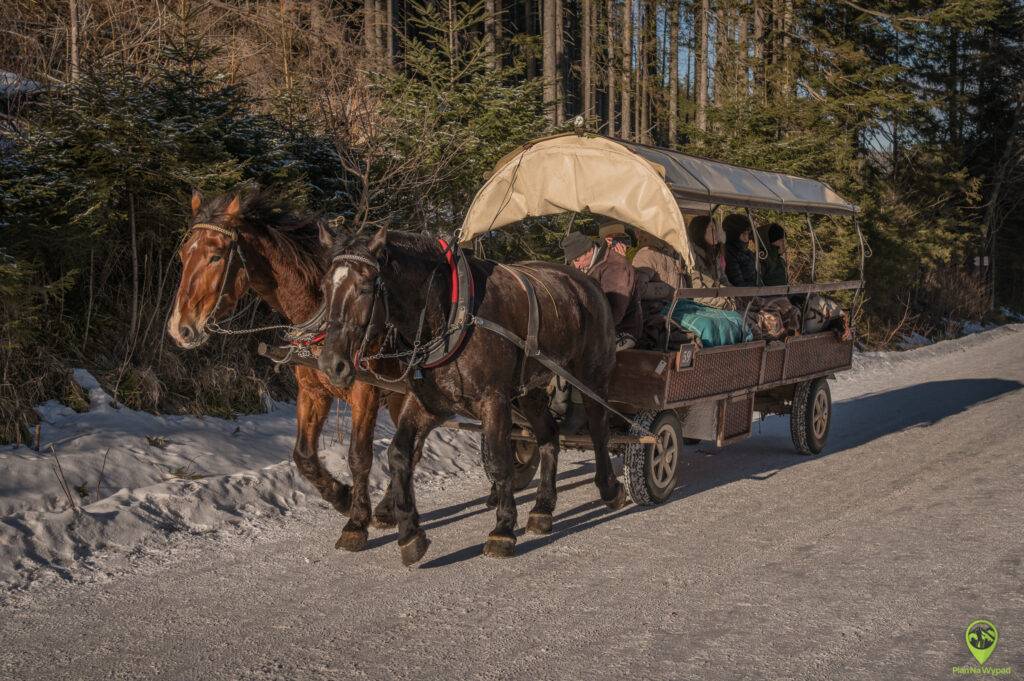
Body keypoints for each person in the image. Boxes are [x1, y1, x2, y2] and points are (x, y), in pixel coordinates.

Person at [561, 231, 643, 349]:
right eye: (573, 261)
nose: (576, 265)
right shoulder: (586, 264)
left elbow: (614, 310)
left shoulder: (616, 267)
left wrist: (585, 333)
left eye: (577, 259)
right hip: (597, 326)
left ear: (589, 250)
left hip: (622, 330)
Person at [683, 215, 735, 310]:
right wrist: (726, 304)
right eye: (711, 229)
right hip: (703, 308)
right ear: (699, 232)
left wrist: (734, 295)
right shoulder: (692, 257)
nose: (716, 233)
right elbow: (698, 293)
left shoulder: (715, 255)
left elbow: (723, 280)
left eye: (716, 229)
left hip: (719, 303)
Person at [723, 213, 758, 288]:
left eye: (748, 234)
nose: (747, 239)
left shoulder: (746, 252)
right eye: (743, 234)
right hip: (747, 295)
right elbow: (738, 284)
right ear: (733, 235)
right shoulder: (728, 253)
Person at [759, 222, 789, 286]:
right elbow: (757, 285)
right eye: (780, 240)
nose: (783, 244)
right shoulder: (761, 258)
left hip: (781, 294)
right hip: (767, 295)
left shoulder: (780, 260)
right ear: (769, 241)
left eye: (784, 240)